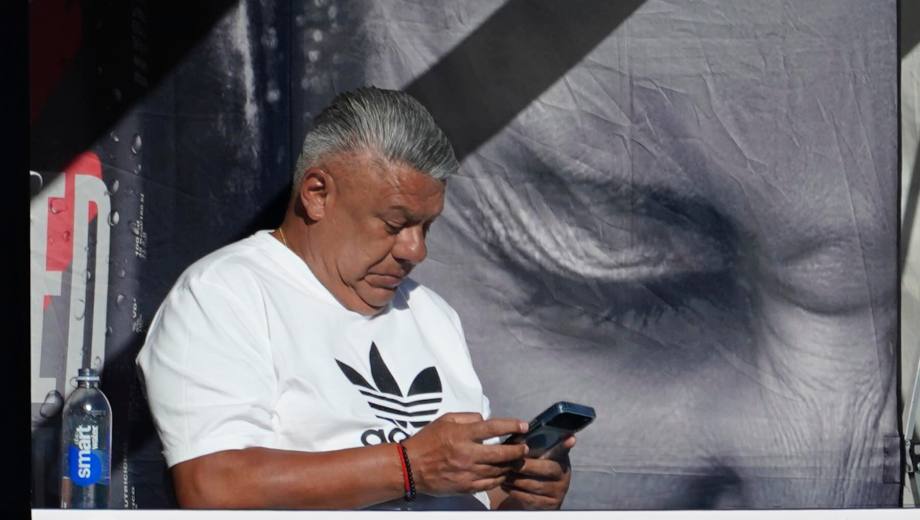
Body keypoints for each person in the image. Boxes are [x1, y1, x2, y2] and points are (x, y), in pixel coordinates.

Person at [136, 87, 576, 510]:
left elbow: (475, 496)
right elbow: (213, 487)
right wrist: (408, 466)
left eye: (426, 227)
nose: (415, 250)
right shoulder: (224, 293)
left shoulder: (432, 314)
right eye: (394, 223)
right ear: (317, 194)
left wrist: (523, 495)